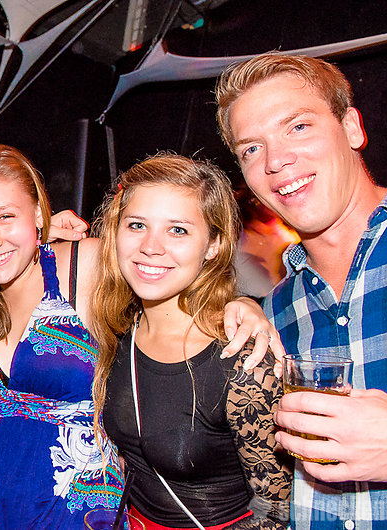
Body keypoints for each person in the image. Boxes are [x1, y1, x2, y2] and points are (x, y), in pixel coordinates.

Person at [0, 140, 281, 529]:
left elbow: (165, 272)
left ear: (38, 214)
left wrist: (245, 305)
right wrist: (16, 505)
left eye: (6, 216)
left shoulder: (85, 265)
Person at [216, 53, 387, 528]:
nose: (276, 161)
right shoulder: (278, 310)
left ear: (351, 128)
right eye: (252, 149)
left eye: (298, 127)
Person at [91, 153, 291, 529]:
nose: (151, 246)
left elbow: (276, 511)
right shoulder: (115, 331)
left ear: (213, 245)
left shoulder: (243, 359)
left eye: (178, 230)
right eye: (137, 225)